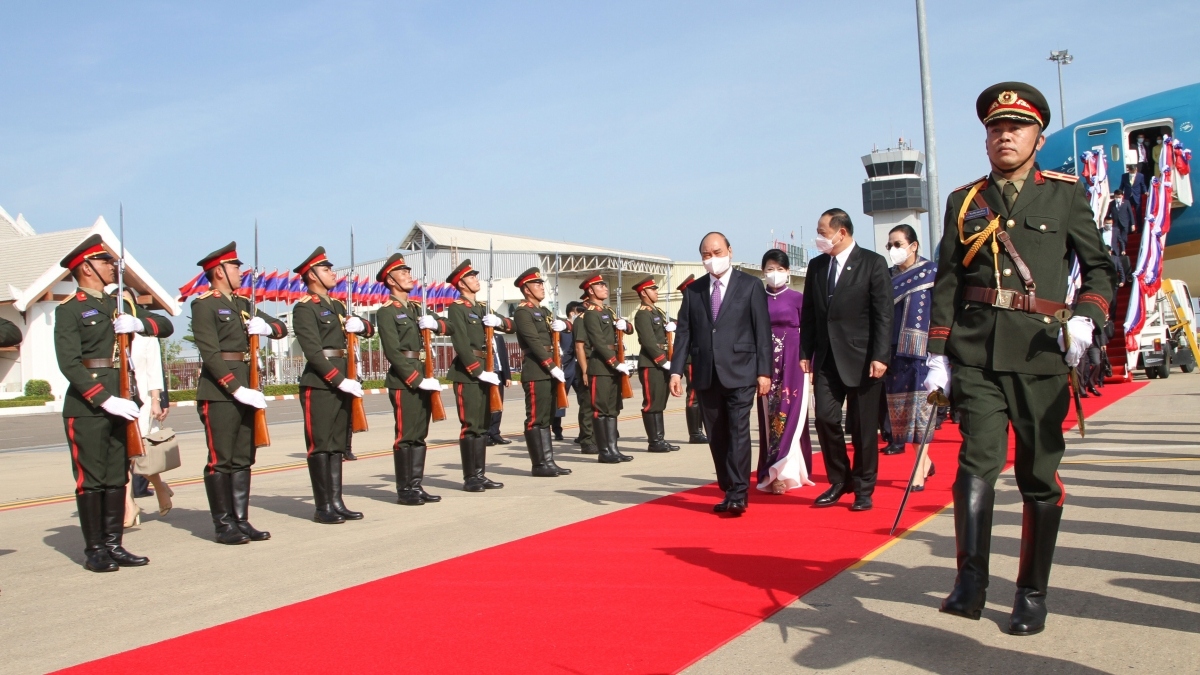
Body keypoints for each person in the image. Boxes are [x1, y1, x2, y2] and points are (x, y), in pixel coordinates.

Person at [925, 82, 1114, 636]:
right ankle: (970, 581)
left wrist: (1087, 316)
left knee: (1038, 473)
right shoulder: (965, 200)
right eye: (995, 127)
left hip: (1039, 354)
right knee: (975, 463)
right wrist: (938, 353)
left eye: (1017, 127)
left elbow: (1101, 270)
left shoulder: (1064, 195)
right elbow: (949, 280)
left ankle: (1031, 592)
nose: (1004, 135)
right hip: (977, 352)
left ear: (1038, 137)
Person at [54, 234, 174, 572]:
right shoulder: (71, 309)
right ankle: (95, 550)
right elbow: (69, 363)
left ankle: (114, 544)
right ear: (86, 267)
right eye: (105, 261)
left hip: (123, 399)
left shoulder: (117, 306)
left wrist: (139, 323)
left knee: (115, 476)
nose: (112, 266)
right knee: (93, 479)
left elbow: (164, 325)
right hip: (89, 406)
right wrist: (104, 399)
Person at [190, 243, 288, 542]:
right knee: (221, 459)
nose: (240, 273)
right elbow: (211, 354)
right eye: (235, 267)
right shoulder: (204, 304)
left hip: (248, 384)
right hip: (220, 391)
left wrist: (268, 328)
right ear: (219, 271)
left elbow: (281, 327)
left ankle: (241, 520)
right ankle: (223, 524)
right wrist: (236, 389)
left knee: (244, 457)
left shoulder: (244, 304)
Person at [669, 232, 772, 515]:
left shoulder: (750, 286)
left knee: (738, 431)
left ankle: (739, 492)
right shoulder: (694, 291)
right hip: (705, 373)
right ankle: (727, 488)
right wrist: (675, 371)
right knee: (717, 434)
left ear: (729, 250)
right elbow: (684, 334)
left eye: (716, 252)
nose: (712, 259)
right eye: (706, 255)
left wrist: (765, 372)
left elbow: (762, 332)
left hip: (741, 371)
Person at [799, 209, 892, 512]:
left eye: (823, 231)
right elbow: (810, 314)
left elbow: (883, 315)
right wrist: (805, 352)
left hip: (864, 358)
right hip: (826, 358)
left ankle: (864, 488)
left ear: (842, 232)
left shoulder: (872, 263)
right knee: (825, 418)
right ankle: (841, 480)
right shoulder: (817, 266)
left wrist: (880, 355)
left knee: (864, 429)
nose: (819, 237)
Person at [292, 247, 374, 524]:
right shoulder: (304, 307)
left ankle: (336, 501)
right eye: (326, 270)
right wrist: (339, 381)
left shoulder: (337, 306)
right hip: (321, 384)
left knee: (337, 445)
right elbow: (313, 352)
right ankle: (323, 506)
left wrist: (360, 325)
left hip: (344, 379)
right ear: (312, 275)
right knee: (321, 446)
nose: (332, 273)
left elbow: (369, 330)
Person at [374, 253, 451, 505]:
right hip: (404, 380)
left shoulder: (416, 308)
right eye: (403, 273)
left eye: (409, 272)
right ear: (391, 280)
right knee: (406, 436)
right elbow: (392, 352)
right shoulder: (386, 312)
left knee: (419, 434)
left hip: (421, 372)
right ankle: (405, 489)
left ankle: (416, 485)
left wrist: (437, 324)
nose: (409, 276)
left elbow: (447, 325)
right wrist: (417, 379)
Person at [445, 260, 514, 491]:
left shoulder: (482, 307)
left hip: (488, 369)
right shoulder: (457, 308)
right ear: (462, 284)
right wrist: (478, 371)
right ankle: (470, 477)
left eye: (476, 276)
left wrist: (499, 321)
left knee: (483, 426)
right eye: (472, 277)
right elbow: (461, 344)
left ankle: (480, 474)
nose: (477, 280)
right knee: (471, 426)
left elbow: (510, 326)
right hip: (469, 374)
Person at [882, 225, 938, 490]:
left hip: (921, 352)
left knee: (922, 411)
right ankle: (924, 461)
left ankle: (917, 470)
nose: (893, 250)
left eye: (897, 244)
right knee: (903, 412)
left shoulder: (931, 272)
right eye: (889, 245)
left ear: (913, 245)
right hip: (893, 351)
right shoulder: (886, 278)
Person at [756, 249, 814, 494]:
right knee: (769, 417)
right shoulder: (756, 299)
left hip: (794, 362)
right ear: (763, 272)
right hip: (767, 363)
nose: (775, 274)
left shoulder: (798, 298)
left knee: (791, 413)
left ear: (788, 272)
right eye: (770, 269)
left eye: (780, 269)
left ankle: (789, 470)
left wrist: (808, 360)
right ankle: (773, 473)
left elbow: (810, 332)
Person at [511, 268, 571, 476]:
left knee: (546, 417)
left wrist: (565, 324)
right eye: (536, 284)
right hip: (537, 369)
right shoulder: (522, 312)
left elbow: (567, 327)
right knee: (536, 418)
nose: (541, 287)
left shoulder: (544, 311)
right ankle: (539, 464)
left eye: (541, 283)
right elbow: (533, 342)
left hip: (550, 367)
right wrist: (551, 365)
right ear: (526, 289)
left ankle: (548, 461)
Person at [125, 294, 174, 524]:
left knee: (139, 453)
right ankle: (128, 505)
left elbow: (154, 369)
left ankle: (159, 487)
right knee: (123, 456)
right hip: (118, 400)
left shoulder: (145, 333)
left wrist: (157, 399)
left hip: (143, 400)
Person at [579, 275, 635, 464]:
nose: (604, 287)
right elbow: (598, 342)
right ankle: (604, 451)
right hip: (601, 366)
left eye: (604, 284)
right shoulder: (591, 314)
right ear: (591, 291)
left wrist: (625, 325)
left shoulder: (608, 310)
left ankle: (613, 449)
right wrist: (614, 362)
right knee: (601, 410)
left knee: (612, 411)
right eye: (600, 285)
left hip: (612, 366)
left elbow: (629, 330)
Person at [632, 276, 679, 453]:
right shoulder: (643, 314)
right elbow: (648, 342)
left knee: (660, 402)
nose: (656, 292)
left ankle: (660, 439)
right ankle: (654, 441)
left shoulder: (656, 311)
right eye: (653, 289)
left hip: (662, 360)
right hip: (651, 363)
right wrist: (662, 361)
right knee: (652, 403)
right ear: (644, 292)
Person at [675, 275, 708, 444]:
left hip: (700, 357)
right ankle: (695, 432)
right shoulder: (688, 309)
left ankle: (700, 430)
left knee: (701, 394)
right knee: (694, 395)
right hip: (691, 358)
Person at [568, 299, 598, 453]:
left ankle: (598, 436)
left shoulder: (599, 316)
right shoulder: (581, 319)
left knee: (600, 404)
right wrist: (585, 371)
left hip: (600, 364)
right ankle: (587, 440)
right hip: (587, 363)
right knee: (587, 404)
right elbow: (579, 347)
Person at [553, 301, 581, 442]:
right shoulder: (562, 328)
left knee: (584, 400)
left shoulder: (581, 327)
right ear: (572, 313)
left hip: (579, 369)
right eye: (579, 311)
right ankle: (557, 431)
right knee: (560, 401)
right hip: (565, 369)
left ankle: (584, 432)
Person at [486, 331, 513, 446]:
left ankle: (495, 433)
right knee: (487, 406)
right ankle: (486, 434)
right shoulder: (481, 336)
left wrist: (507, 376)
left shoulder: (498, 337)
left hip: (499, 373)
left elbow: (503, 357)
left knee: (498, 405)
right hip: (486, 374)